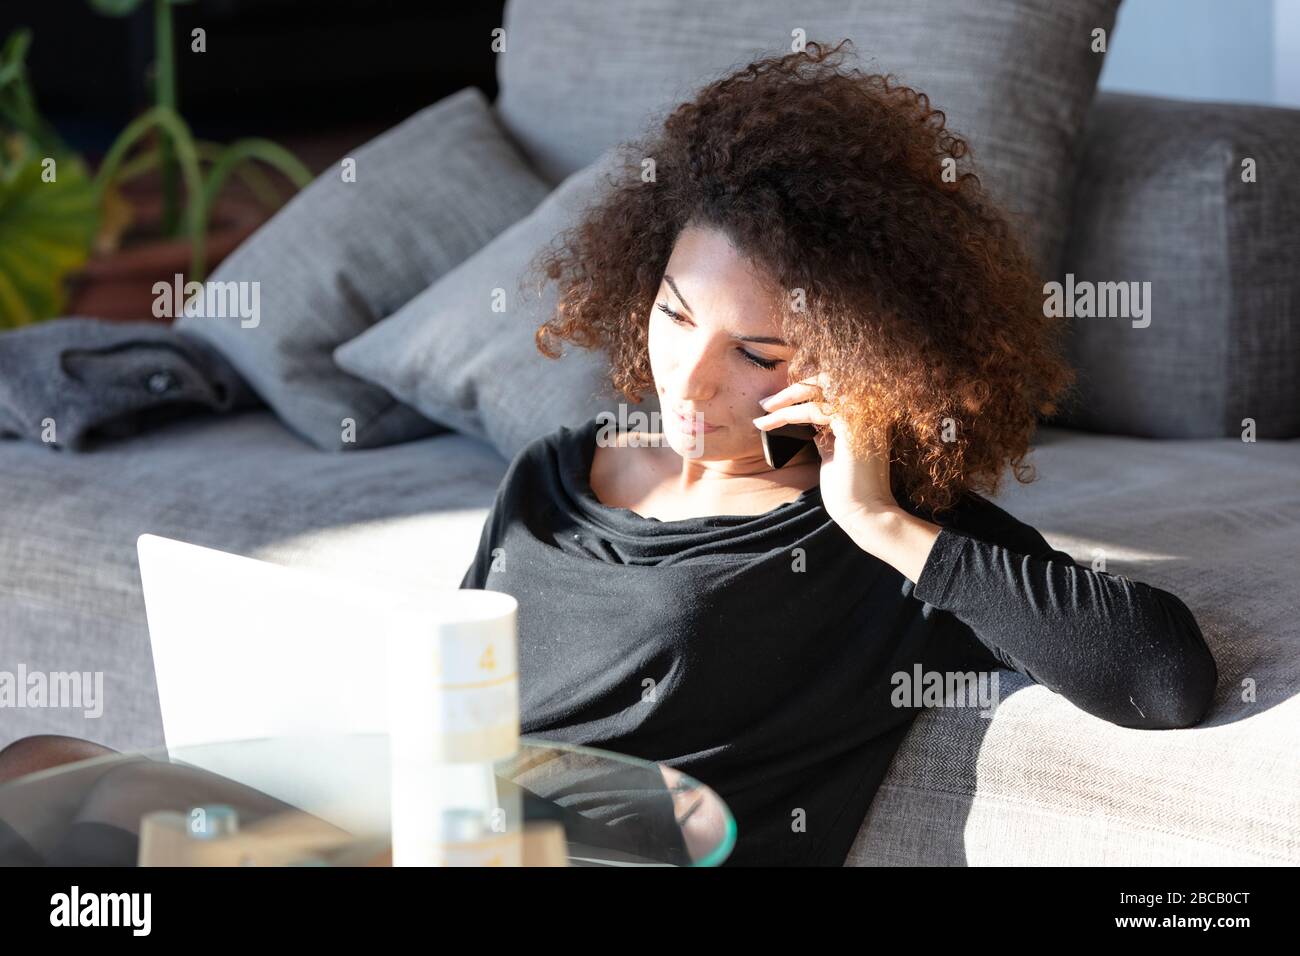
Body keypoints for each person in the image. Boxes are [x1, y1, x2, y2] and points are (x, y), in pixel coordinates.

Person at [0, 39, 1217, 867]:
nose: (690, 380)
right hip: (438, 843)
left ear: (862, 357)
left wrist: (886, 523)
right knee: (44, 762)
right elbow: (455, 699)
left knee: (101, 806)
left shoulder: (870, 534)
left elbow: (1163, 677)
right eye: (677, 314)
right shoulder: (559, 469)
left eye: (757, 350)